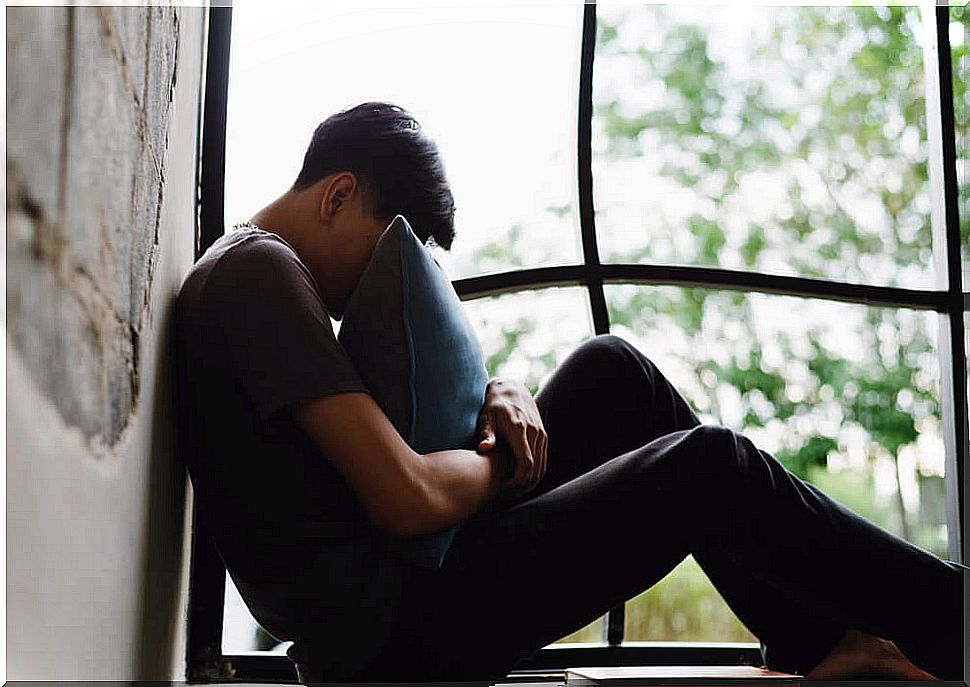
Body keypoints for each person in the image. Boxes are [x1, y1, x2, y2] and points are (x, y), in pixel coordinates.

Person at [176, 101, 964, 683]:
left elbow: (400, 435)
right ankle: (950, 624)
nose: (385, 282)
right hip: (395, 639)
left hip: (407, 593)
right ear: (339, 195)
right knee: (709, 465)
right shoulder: (261, 277)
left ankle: (825, 644)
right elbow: (408, 497)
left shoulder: (257, 272)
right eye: (389, 251)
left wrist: (500, 395)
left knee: (611, 369)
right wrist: (498, 463)